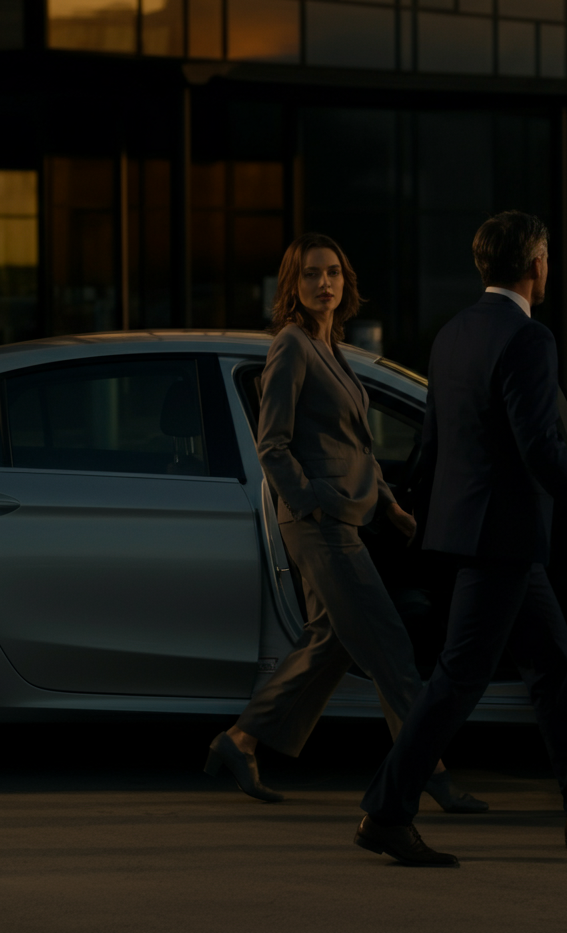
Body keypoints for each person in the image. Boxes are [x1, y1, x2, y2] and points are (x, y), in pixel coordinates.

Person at [355, 211, 567, 868]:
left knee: (552, 664)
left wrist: (420, 514)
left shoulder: (453, 333)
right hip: (502, 537)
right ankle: (386, 812)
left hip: (476, 531)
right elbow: (539, 449)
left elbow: (432, 439)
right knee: (458, 678)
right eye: (548, 258)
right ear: (536, 264)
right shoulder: (529, 339)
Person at [204, 233, 486, 814]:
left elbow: (353, 444)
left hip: (348, 515)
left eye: (332, 273)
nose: (323, 284)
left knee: (329, 641)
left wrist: (389, 506)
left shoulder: (330, 348)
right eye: (310, 275)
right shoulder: (292, 347)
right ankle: (427, 771)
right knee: (389, 648)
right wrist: (310, 501)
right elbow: (272, 444)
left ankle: (240, 740)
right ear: (293, 285)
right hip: (322, 525)